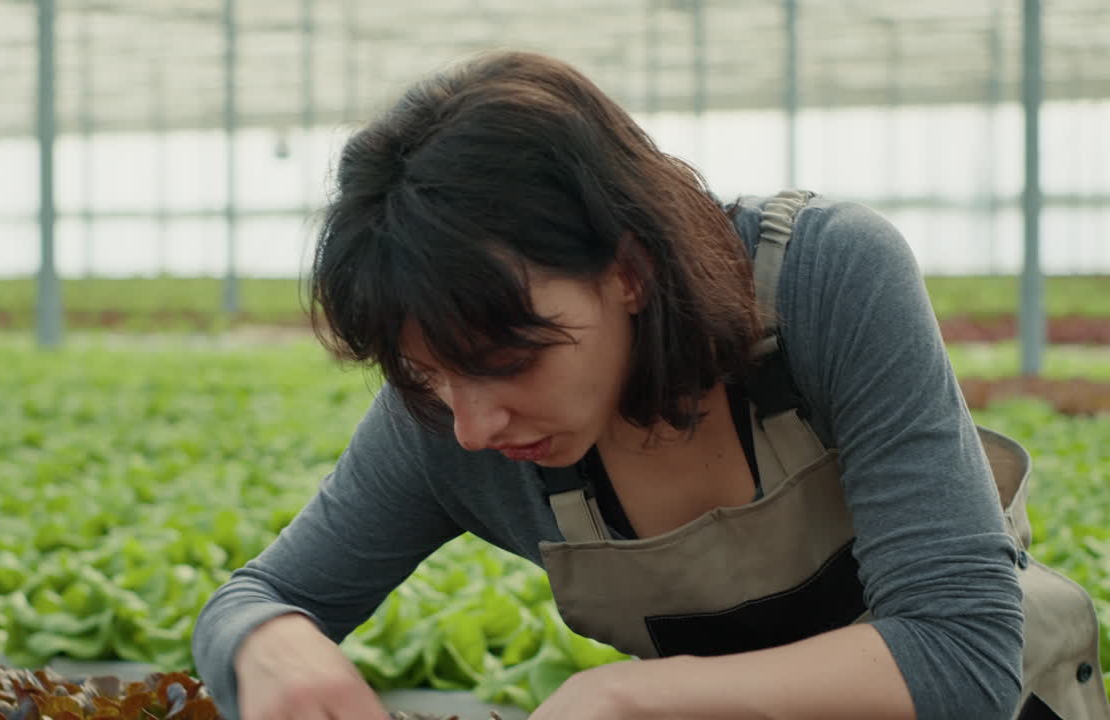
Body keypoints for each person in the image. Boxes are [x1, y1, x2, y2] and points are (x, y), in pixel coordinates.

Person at [192, 51, 1109, 720]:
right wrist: (267, 640)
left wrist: (631, 694)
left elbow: (960, 654)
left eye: (508, 358)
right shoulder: (444, 424)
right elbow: (256, 596)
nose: (471, 423)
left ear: (627, 270)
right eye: (427, 372)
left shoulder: (824, 282)